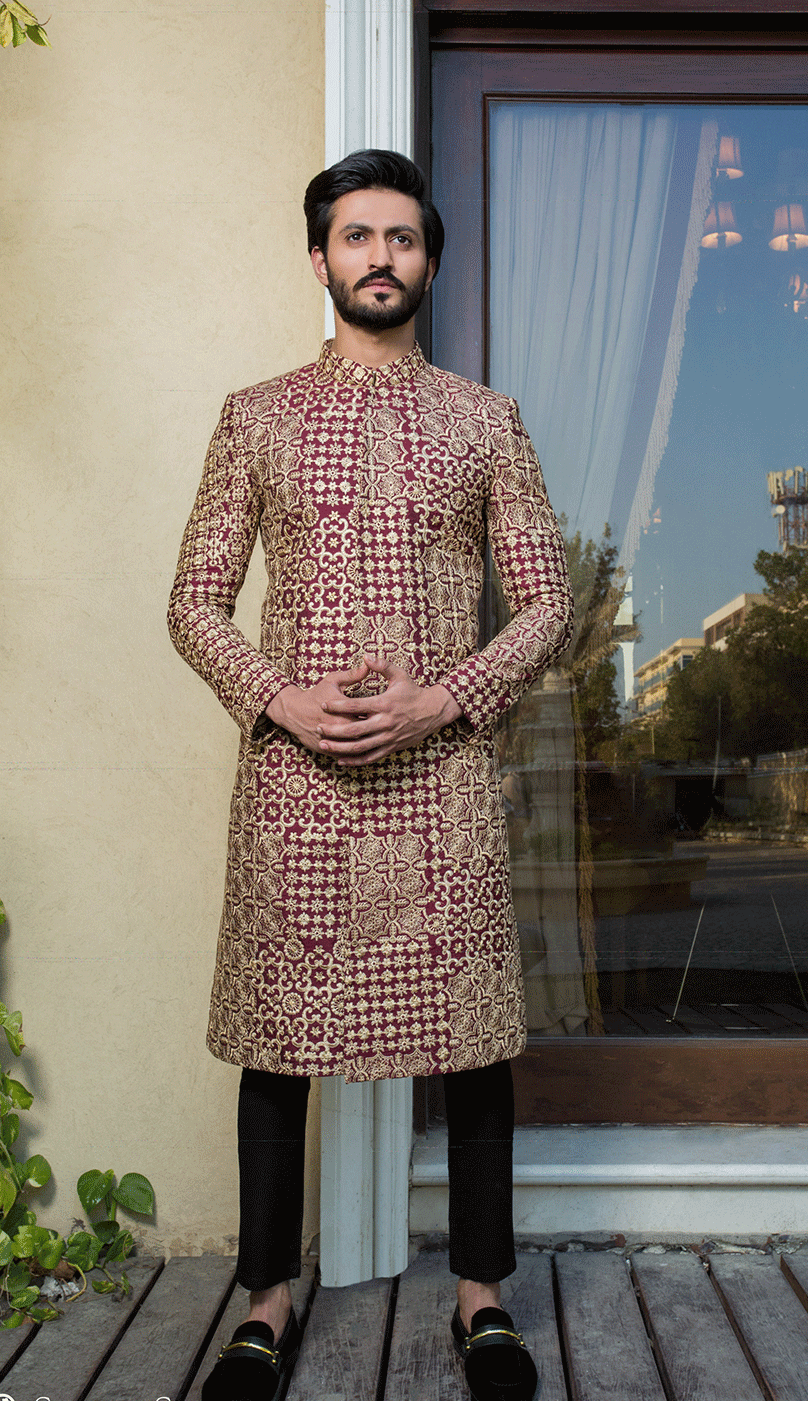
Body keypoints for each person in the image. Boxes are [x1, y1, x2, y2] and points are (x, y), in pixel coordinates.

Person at [168, 148, 573, 1401]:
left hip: (441, 780)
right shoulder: (256, 416)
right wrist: (278, 695)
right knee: (276, 1041)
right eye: (357, 237)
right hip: (297, 784)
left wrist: (443, 696)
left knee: (474, 1041)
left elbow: (547, 599)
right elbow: (193, 601)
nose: (379, 256)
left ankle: (482, 1304)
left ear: (429, 264)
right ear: (320, 259)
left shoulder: (485, 420)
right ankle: (266, 1307)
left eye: (401, 238)